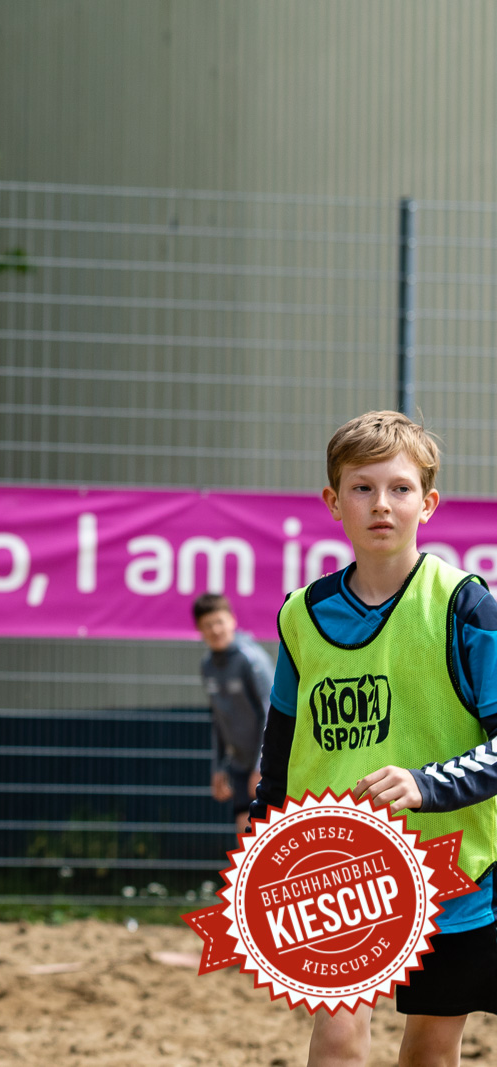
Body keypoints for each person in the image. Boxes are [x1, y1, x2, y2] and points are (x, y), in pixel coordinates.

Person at [249, 411, 497, 1067]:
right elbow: (284, 735)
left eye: (399, 488)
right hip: (338, 866)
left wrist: (427, 782)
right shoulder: (300, 614)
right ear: (333, 502)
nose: (380, 504)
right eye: (361, 488)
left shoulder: (466, 606)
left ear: (429, 502)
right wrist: (263, 821)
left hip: (451, 864)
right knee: (335, 1036)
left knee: (429, 1047)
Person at [192, 592, 273, 833]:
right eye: (208, 625)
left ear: (232, 620)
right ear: (200, 629)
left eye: (219, 622)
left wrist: (262, 766)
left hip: (267, 764)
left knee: (265, 834)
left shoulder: (251, 659)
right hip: (239, 764)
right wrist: (218, 768)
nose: (215, 630)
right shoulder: (207, 666)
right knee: (244, 833)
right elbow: (218, 719)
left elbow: (271, 714)